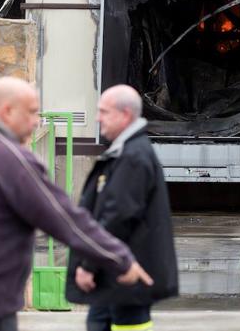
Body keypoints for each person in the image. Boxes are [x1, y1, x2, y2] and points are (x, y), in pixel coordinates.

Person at [0, 77, 152, 331]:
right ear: (7, 111)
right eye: (33, 112)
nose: (37, 122)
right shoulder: (9, 159)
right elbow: (64, 218)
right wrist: (119, 258)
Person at [66, 85, 178, 331]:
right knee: (97, 322)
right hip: (113, 275)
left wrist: (88, 266)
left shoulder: (133, 158)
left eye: (104, 112)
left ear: (125, 115)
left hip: (125, 277)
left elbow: (117, 218)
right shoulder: (125, 152)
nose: (97, 118)